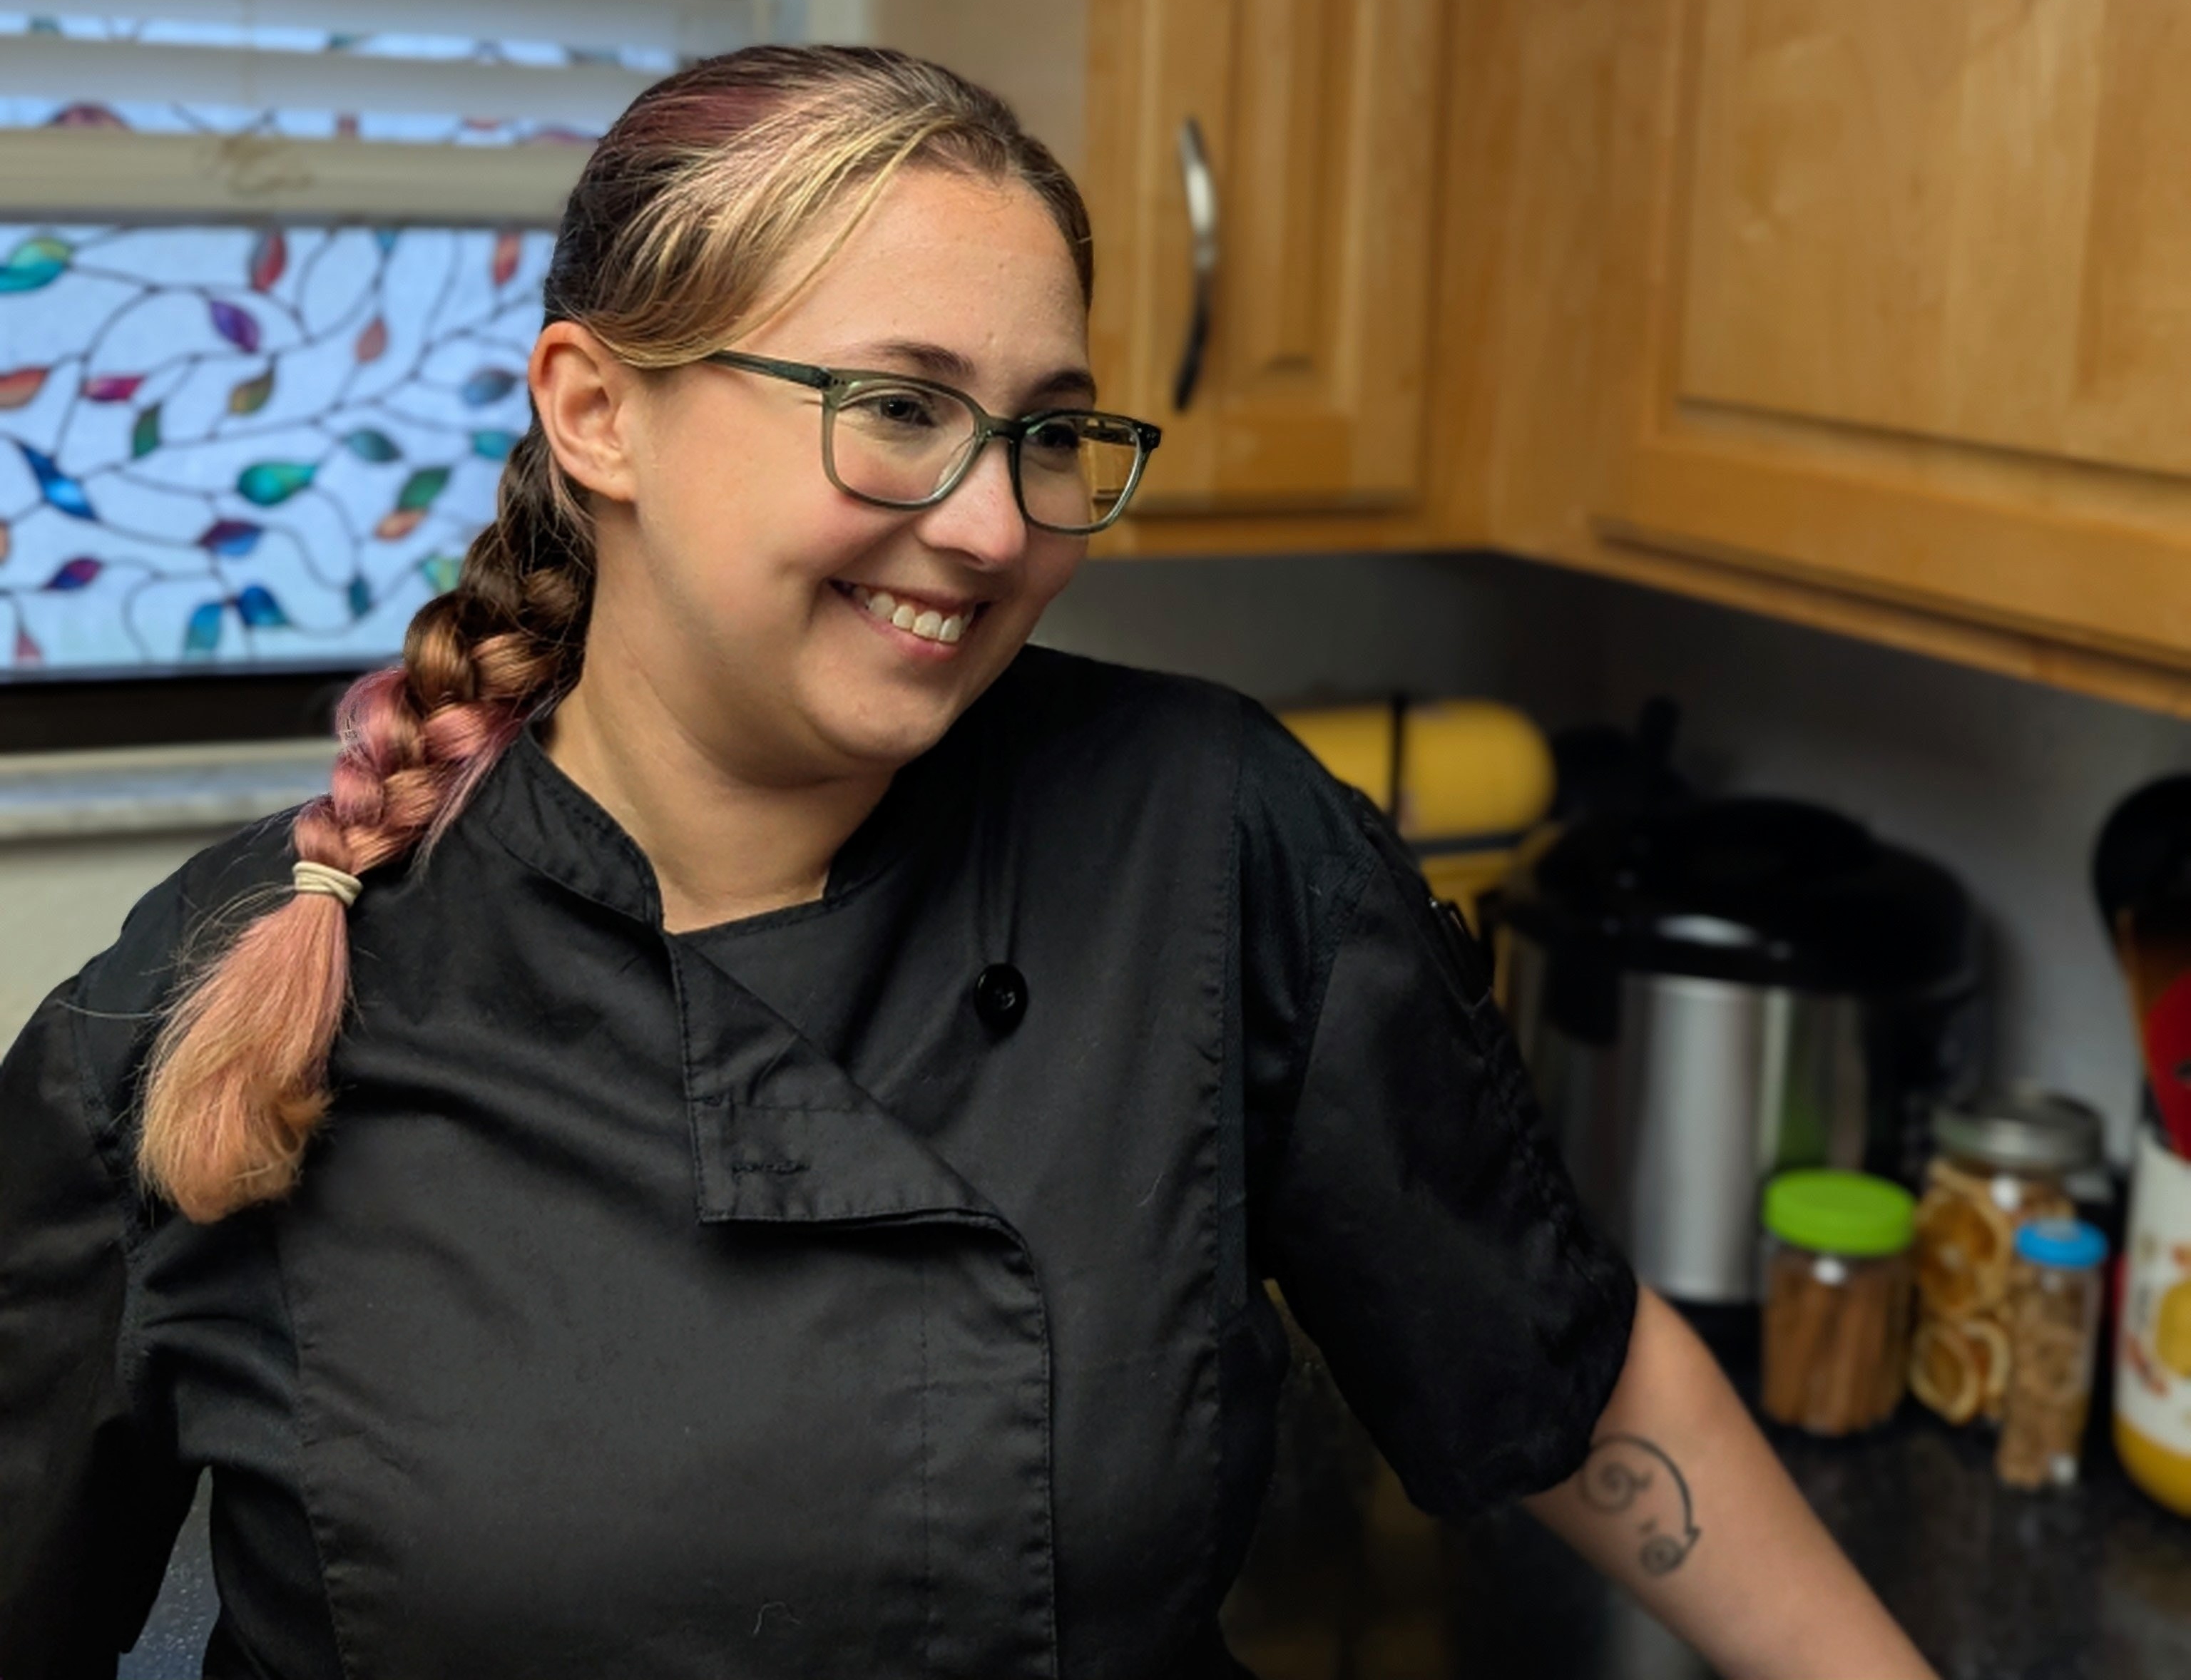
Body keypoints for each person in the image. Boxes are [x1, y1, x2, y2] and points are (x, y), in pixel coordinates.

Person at [0, 45, 1935, 1680]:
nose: (998, 525)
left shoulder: (1210, 838)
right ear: (599, 412)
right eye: (899, 409)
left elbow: (1563, 1368)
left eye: (1050, 431)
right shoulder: (212, 1004)